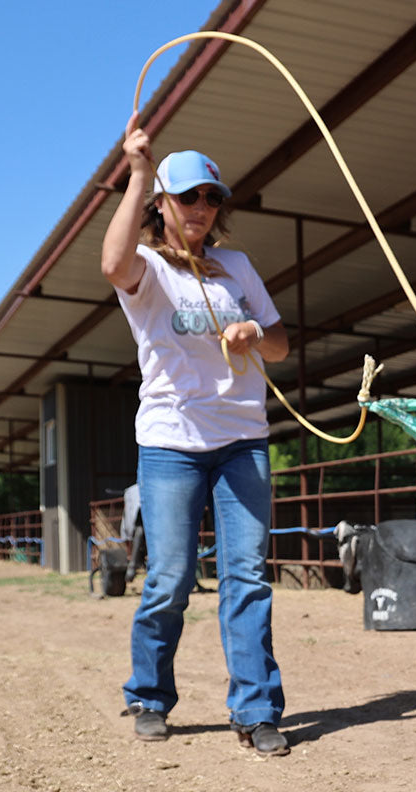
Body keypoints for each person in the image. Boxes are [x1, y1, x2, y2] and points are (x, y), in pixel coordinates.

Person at [100, 121, 292, 757]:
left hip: (243, 438)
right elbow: (112, 264)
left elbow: (281, 342)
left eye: (212, 199)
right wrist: (136, 172)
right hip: (171, 442)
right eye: (189, 198)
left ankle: (257, 709)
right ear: (163, 203)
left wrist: (250, 336)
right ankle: (149, 696)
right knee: (172, 578)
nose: (202, 210)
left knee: (248, 577)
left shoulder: (236, 268)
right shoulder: (150, 270)